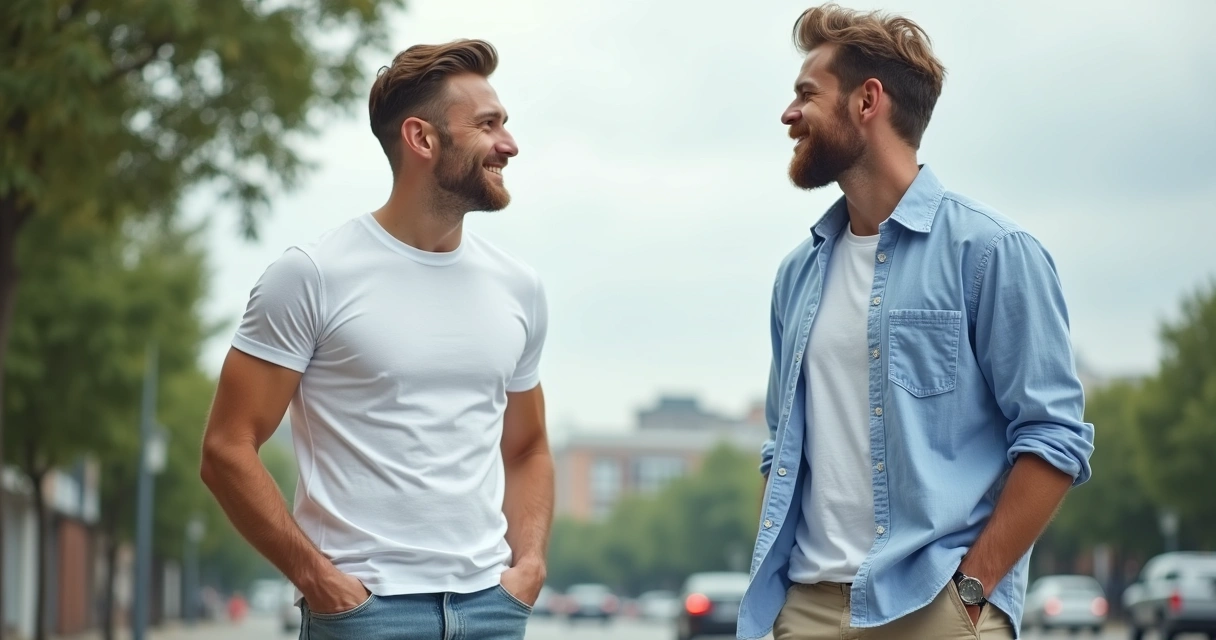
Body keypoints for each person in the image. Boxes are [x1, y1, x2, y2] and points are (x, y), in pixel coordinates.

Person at [737, 5, 1095, 639]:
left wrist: (971, 594)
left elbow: (1053, 439)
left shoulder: (991, 253)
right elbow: (782, 447)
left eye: (806, 95)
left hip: (935, 608)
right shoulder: (797, 275)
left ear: (867, 101)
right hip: (810, 608)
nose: (788, 115)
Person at [200, 39, 552, 640]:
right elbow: (227, 449)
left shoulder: (519, 287)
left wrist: (528, 567)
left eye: (506, 125)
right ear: (421, 139)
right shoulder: (311, 275)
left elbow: (527, 448)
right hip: (367, 614)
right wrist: (319, 581)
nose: (509, 145)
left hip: (492, 611)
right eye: (488, 125)